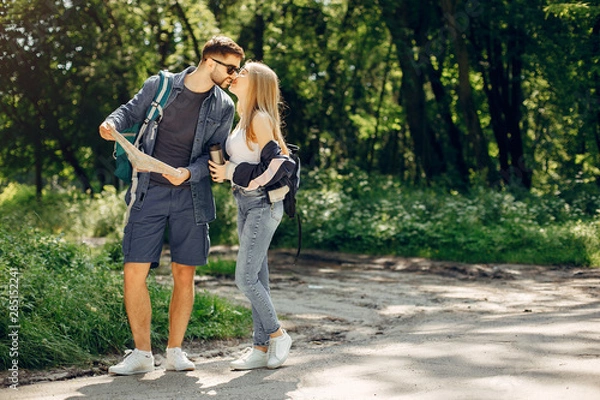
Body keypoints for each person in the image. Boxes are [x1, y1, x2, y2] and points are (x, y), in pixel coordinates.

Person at [98, 36, 244, 376]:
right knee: (134, 270)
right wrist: (112, 123)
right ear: (210, 62)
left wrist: (188, 173)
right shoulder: (161, 86)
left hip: (190, 195)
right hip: (147, 192)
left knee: (184, 272)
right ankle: (141, 353)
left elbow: (215, 153)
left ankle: (175, 351)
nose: (234, 75)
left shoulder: (224, 106)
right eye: (231, 68)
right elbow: (129, 111)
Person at [208, 61, 294, 370]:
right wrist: (225, 172)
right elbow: (247, 164)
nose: (235, 75)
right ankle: (259, 348)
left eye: (242, 72)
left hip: (263, 204)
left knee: (244, 278)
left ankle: (278, 334)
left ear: (256, 83)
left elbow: (276, 167)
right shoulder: (243, 119)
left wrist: (231, 170)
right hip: (244, 202)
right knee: (258, 277)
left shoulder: (259, 119)